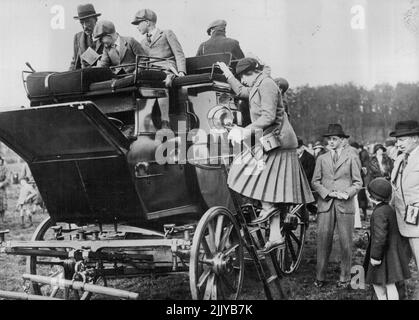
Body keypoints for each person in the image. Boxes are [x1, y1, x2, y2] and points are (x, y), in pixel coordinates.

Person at [217, 58, 314, 253]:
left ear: (252, 72)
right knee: (269, 186)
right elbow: (241, 91)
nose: (242, 80)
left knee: (244, 170)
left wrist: (246, 130)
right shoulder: (258, 84)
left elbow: (269, 116)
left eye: (243, 76)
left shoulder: (267, 85)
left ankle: (269, 209)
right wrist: (227, 75)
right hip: (270, 141)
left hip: (279, 142)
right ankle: (276, 235)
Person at [312, 124, 362, 288]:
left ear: (342, 140)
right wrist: (327, 193)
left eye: (334, 139)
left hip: (344, 204)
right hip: (325, 204)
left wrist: (346, 193)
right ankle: (320, 277)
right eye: (329, 139)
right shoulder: (321, 158)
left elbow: (358, 182)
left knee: (346, 242)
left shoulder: (352, 156)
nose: (331, 142)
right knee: (322, 241)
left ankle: (345, 277)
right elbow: (315, 182)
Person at [132, 9, 186, 130]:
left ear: (147, 22)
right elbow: (143, 61)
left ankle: (165, 121)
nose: (137, 27)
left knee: (163, 83)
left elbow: (179, 53)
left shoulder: (167, 33)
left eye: (138, 23)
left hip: (167, 69)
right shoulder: (142, 42)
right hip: (152, 71)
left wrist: (181, 71)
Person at [364, 178, 411, 300]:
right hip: (392, 255)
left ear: (371, 197)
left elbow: (380, 237)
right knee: (390, 284)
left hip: (382, 256)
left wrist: (375, 257)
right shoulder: (389, 209)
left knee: (379, 284)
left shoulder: (379, 212)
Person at [390, 120, 419, 299]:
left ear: (415, 138)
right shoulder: (400, 159)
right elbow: (395, 188)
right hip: (399, 221)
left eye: (403, 139)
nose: (398, 143)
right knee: (398, 265)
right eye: (397, 139)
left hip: (417, 223)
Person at [70, 4, 104, 70]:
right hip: (83, 77)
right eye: (82, 23)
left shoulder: (106, 35)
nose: (85, 26)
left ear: (96, 20)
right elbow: (75, 63)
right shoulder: (78, 37)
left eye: (88, 21)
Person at [0, 157, 8, 223]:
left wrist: (2, 183)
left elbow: (7, 178)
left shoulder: (4, 168)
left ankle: (3, 218)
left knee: (3, 204)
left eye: (0, 160)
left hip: (2, 188)